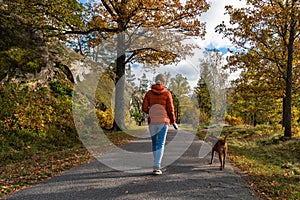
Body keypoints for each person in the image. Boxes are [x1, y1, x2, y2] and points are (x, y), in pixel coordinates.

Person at [142, 74, 178, 175]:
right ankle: (157, 165)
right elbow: (171, 110)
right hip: (163, 121)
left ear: (156, 81)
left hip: (152, 122)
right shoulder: (167, 93)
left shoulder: (149, 93)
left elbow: (144, 107)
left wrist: (151, 112)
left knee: (154, 143)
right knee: (161, 143)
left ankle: (156, 163)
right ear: (163, 82)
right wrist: (173, 121)